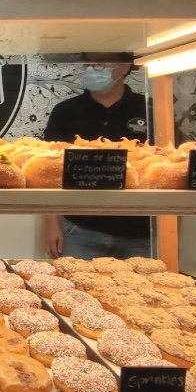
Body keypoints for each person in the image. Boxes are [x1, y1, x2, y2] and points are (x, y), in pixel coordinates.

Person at [42, 52, 151, 260]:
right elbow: (50, 172)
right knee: (74, 290)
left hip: (141, 231)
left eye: (102, 60)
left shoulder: (151, 109)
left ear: (125, 66)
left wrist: (171, 233)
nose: (93, 67)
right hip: (80, 226)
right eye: (89, 62)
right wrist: (51, 223)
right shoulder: (65, 111)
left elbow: (168, 169)